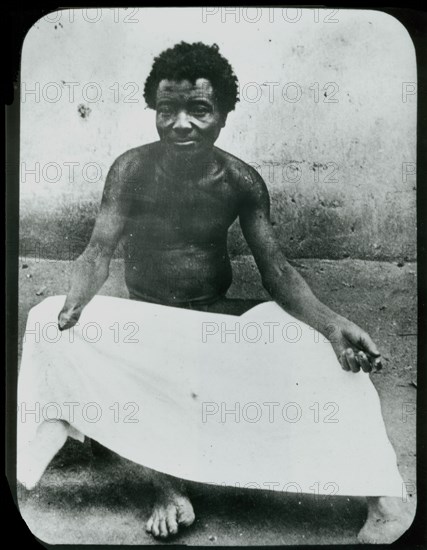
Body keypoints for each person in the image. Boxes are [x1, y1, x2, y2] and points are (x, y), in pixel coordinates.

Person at [57, 42, 411, 542]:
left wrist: (333, 325)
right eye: (167, 110)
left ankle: (383, 498)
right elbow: (96, 253)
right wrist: (75, 304)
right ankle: (167, 486)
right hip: (149, 325)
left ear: (223, 114)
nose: (180, 123)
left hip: (215, 318)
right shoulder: (130, 171)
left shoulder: (240, 180)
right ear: (154, 111)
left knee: (328, 352)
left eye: (198, 110)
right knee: (53, 326)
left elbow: (278, 272)